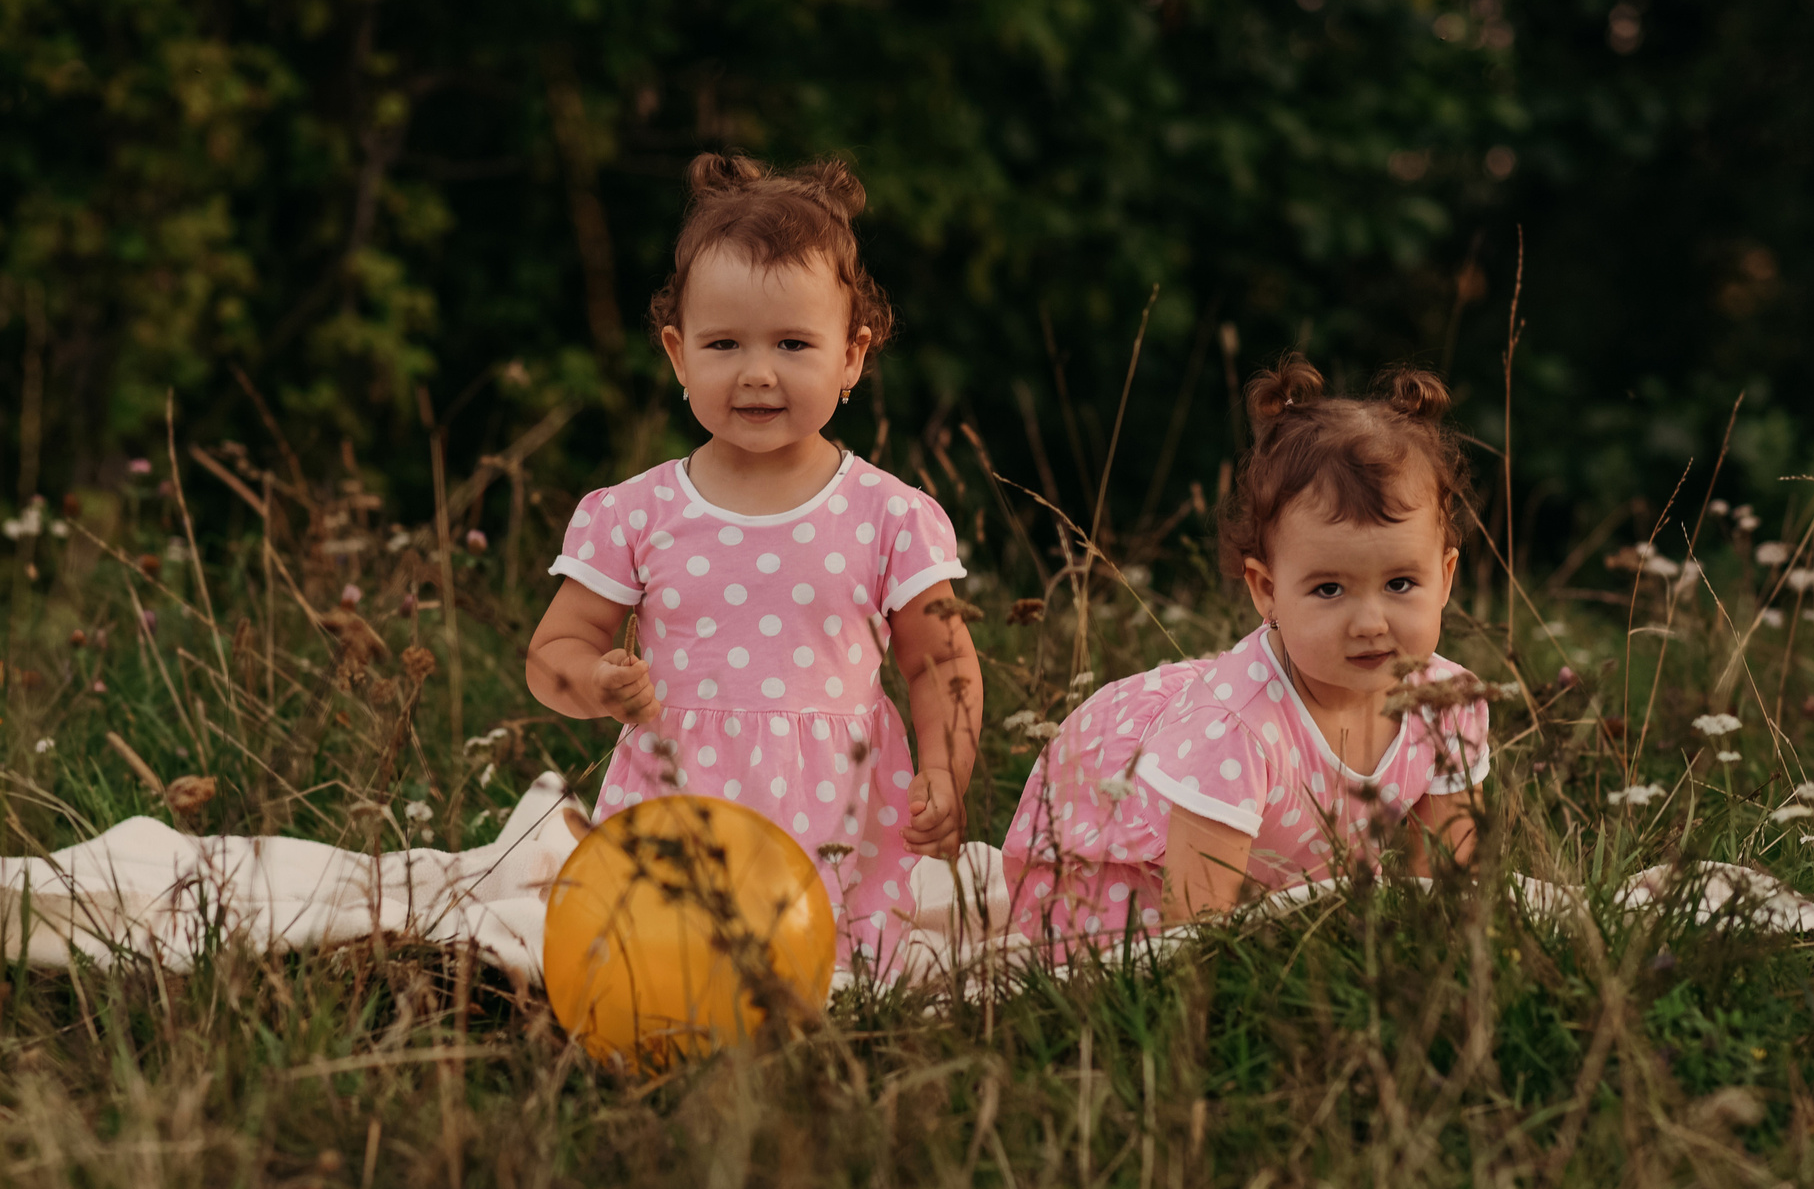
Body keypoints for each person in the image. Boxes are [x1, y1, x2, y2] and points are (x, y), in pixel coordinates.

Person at [526, 153, 984, 970]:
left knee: (840, 974)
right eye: (725, 343)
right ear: (678, 355)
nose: (758, 372)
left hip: (840, 819)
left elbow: (940, 661)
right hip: (678, 806)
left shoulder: (890, 516)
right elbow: (552, 652)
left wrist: (946, 771)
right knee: (663, 970)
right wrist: (594, 681)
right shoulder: (636, 512)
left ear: (852, 355)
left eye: (794, 343)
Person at [1000, 356, 1489, 949]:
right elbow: (1193, 934)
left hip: (1273, 878)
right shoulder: (1234, 730)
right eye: (1329, 589)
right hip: (1123, 882)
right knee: (1128, 954)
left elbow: (1444, 886)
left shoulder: (1446, 704)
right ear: (1267, 590)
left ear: (1446, 577)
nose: (1370, 622)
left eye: (1400, 584)